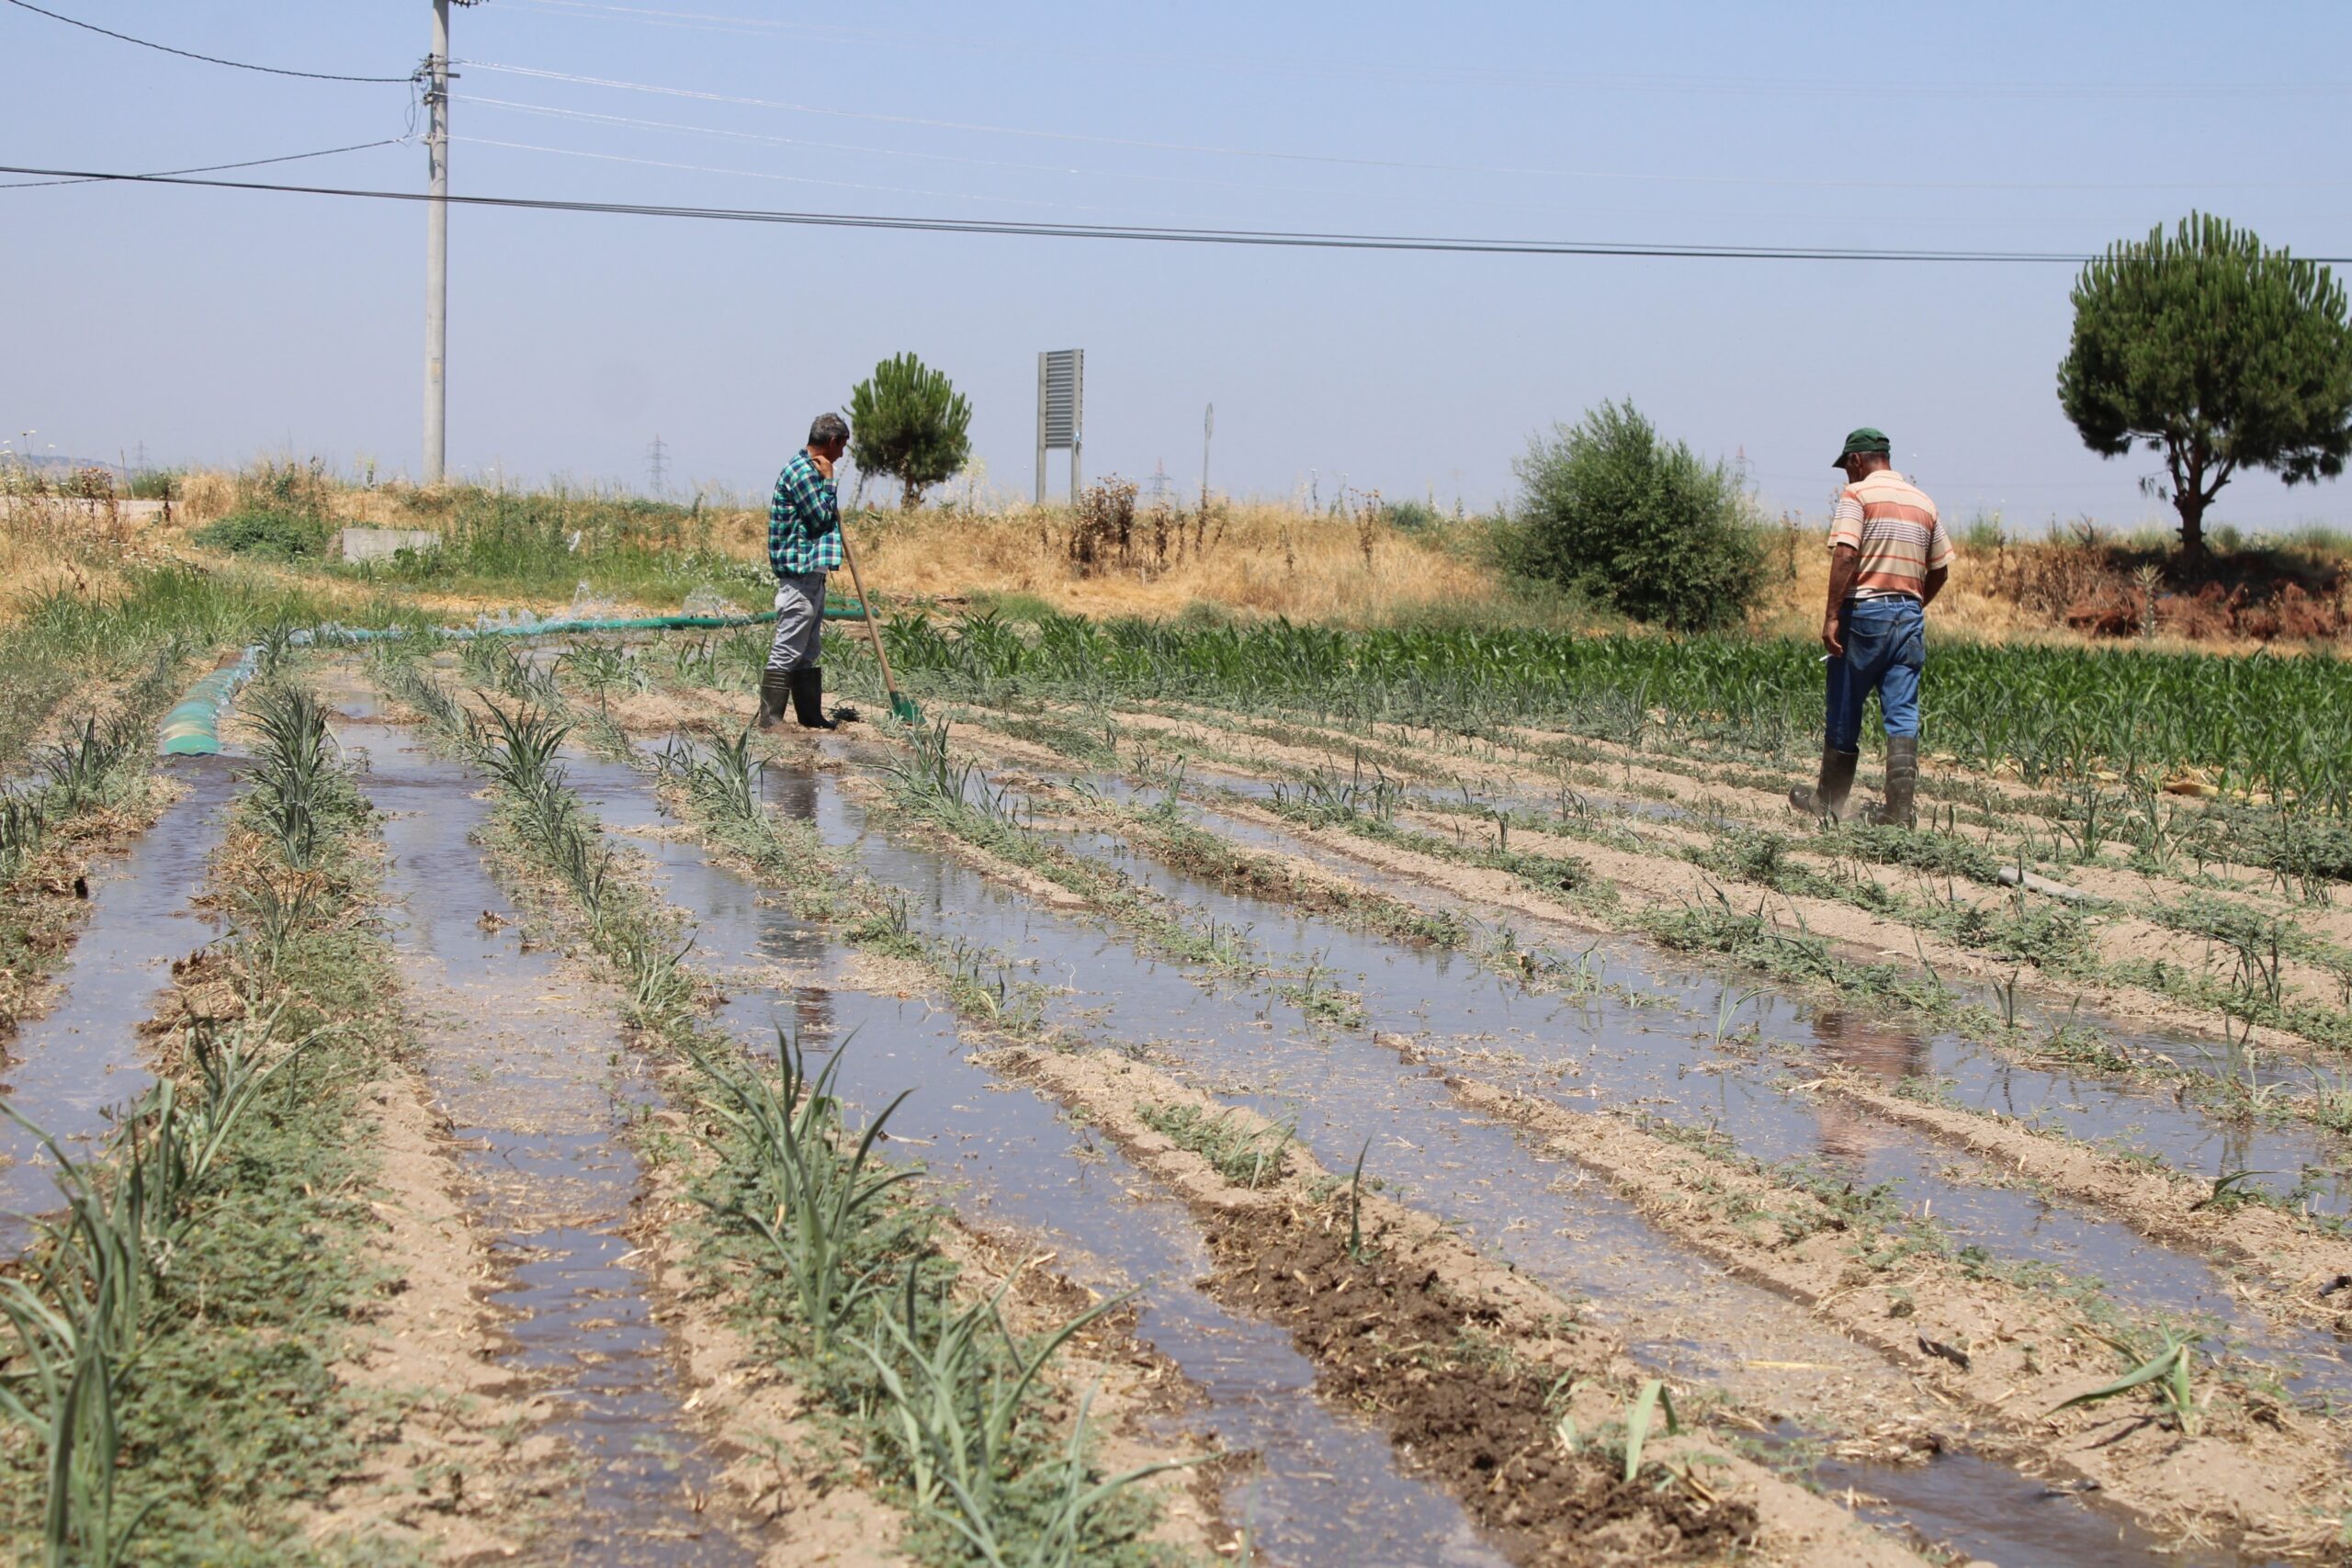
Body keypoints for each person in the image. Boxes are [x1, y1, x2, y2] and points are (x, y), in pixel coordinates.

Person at [1789, 427, 1952, 826]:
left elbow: (1846, 555)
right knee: (1902, 714)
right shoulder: (1923, 501)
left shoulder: (1857, 496)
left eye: (1847, 466)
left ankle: (1829, 801)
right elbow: (1940, 570)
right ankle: (1899, 813)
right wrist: (1911, 603)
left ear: (1858, 460)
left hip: (1863, 615)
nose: (1846, 475)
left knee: (1845, 702)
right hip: (1909, 618)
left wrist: (1831, 615)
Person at [760, 412, 851, 730]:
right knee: (788, 648)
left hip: (814, 573)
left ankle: (810, 718)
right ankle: (770, 720)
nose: (841, 455)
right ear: (832, 442)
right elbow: (820, 518)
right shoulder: (802, 472)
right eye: (842, 447)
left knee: (808, 649)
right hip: (799, 575)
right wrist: (829, 481)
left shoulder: (812, 470)